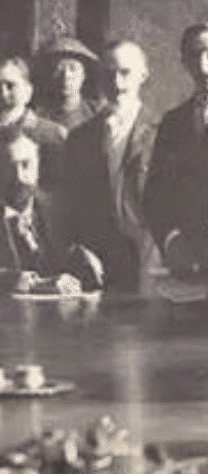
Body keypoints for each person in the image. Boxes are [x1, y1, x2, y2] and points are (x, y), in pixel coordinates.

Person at [144, 22, 208, 281]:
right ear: (184, 63)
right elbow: (156, 190)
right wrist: (170, 238)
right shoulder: (173, 121)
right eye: (194, 55)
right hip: (185, 257)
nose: (203, 64)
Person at [62, 41, 160, 291]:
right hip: (99, 260)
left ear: (143, 75)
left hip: (151, 256)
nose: (117, 82)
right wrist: (80, 249)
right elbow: (72, 203)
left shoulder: (164, 132)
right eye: (108, 74)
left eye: (125, 72)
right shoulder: (80, 138)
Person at [0, 128, 97, 294]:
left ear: (38, 163)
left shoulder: (61, 210)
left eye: (26, 164)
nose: (19, 177)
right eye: (7, 167)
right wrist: (30, 283)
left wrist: (91, 264)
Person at [0, 56, 66, 188]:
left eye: (10, 85)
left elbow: (62, 190)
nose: (3, 94)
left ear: (28, 91)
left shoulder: (52, 134)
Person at [32, 36, 104, 130]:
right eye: (59, 69)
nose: (66, 76)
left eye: (72, 68)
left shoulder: (97, 113)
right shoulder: (38, 117)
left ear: (83, 75)